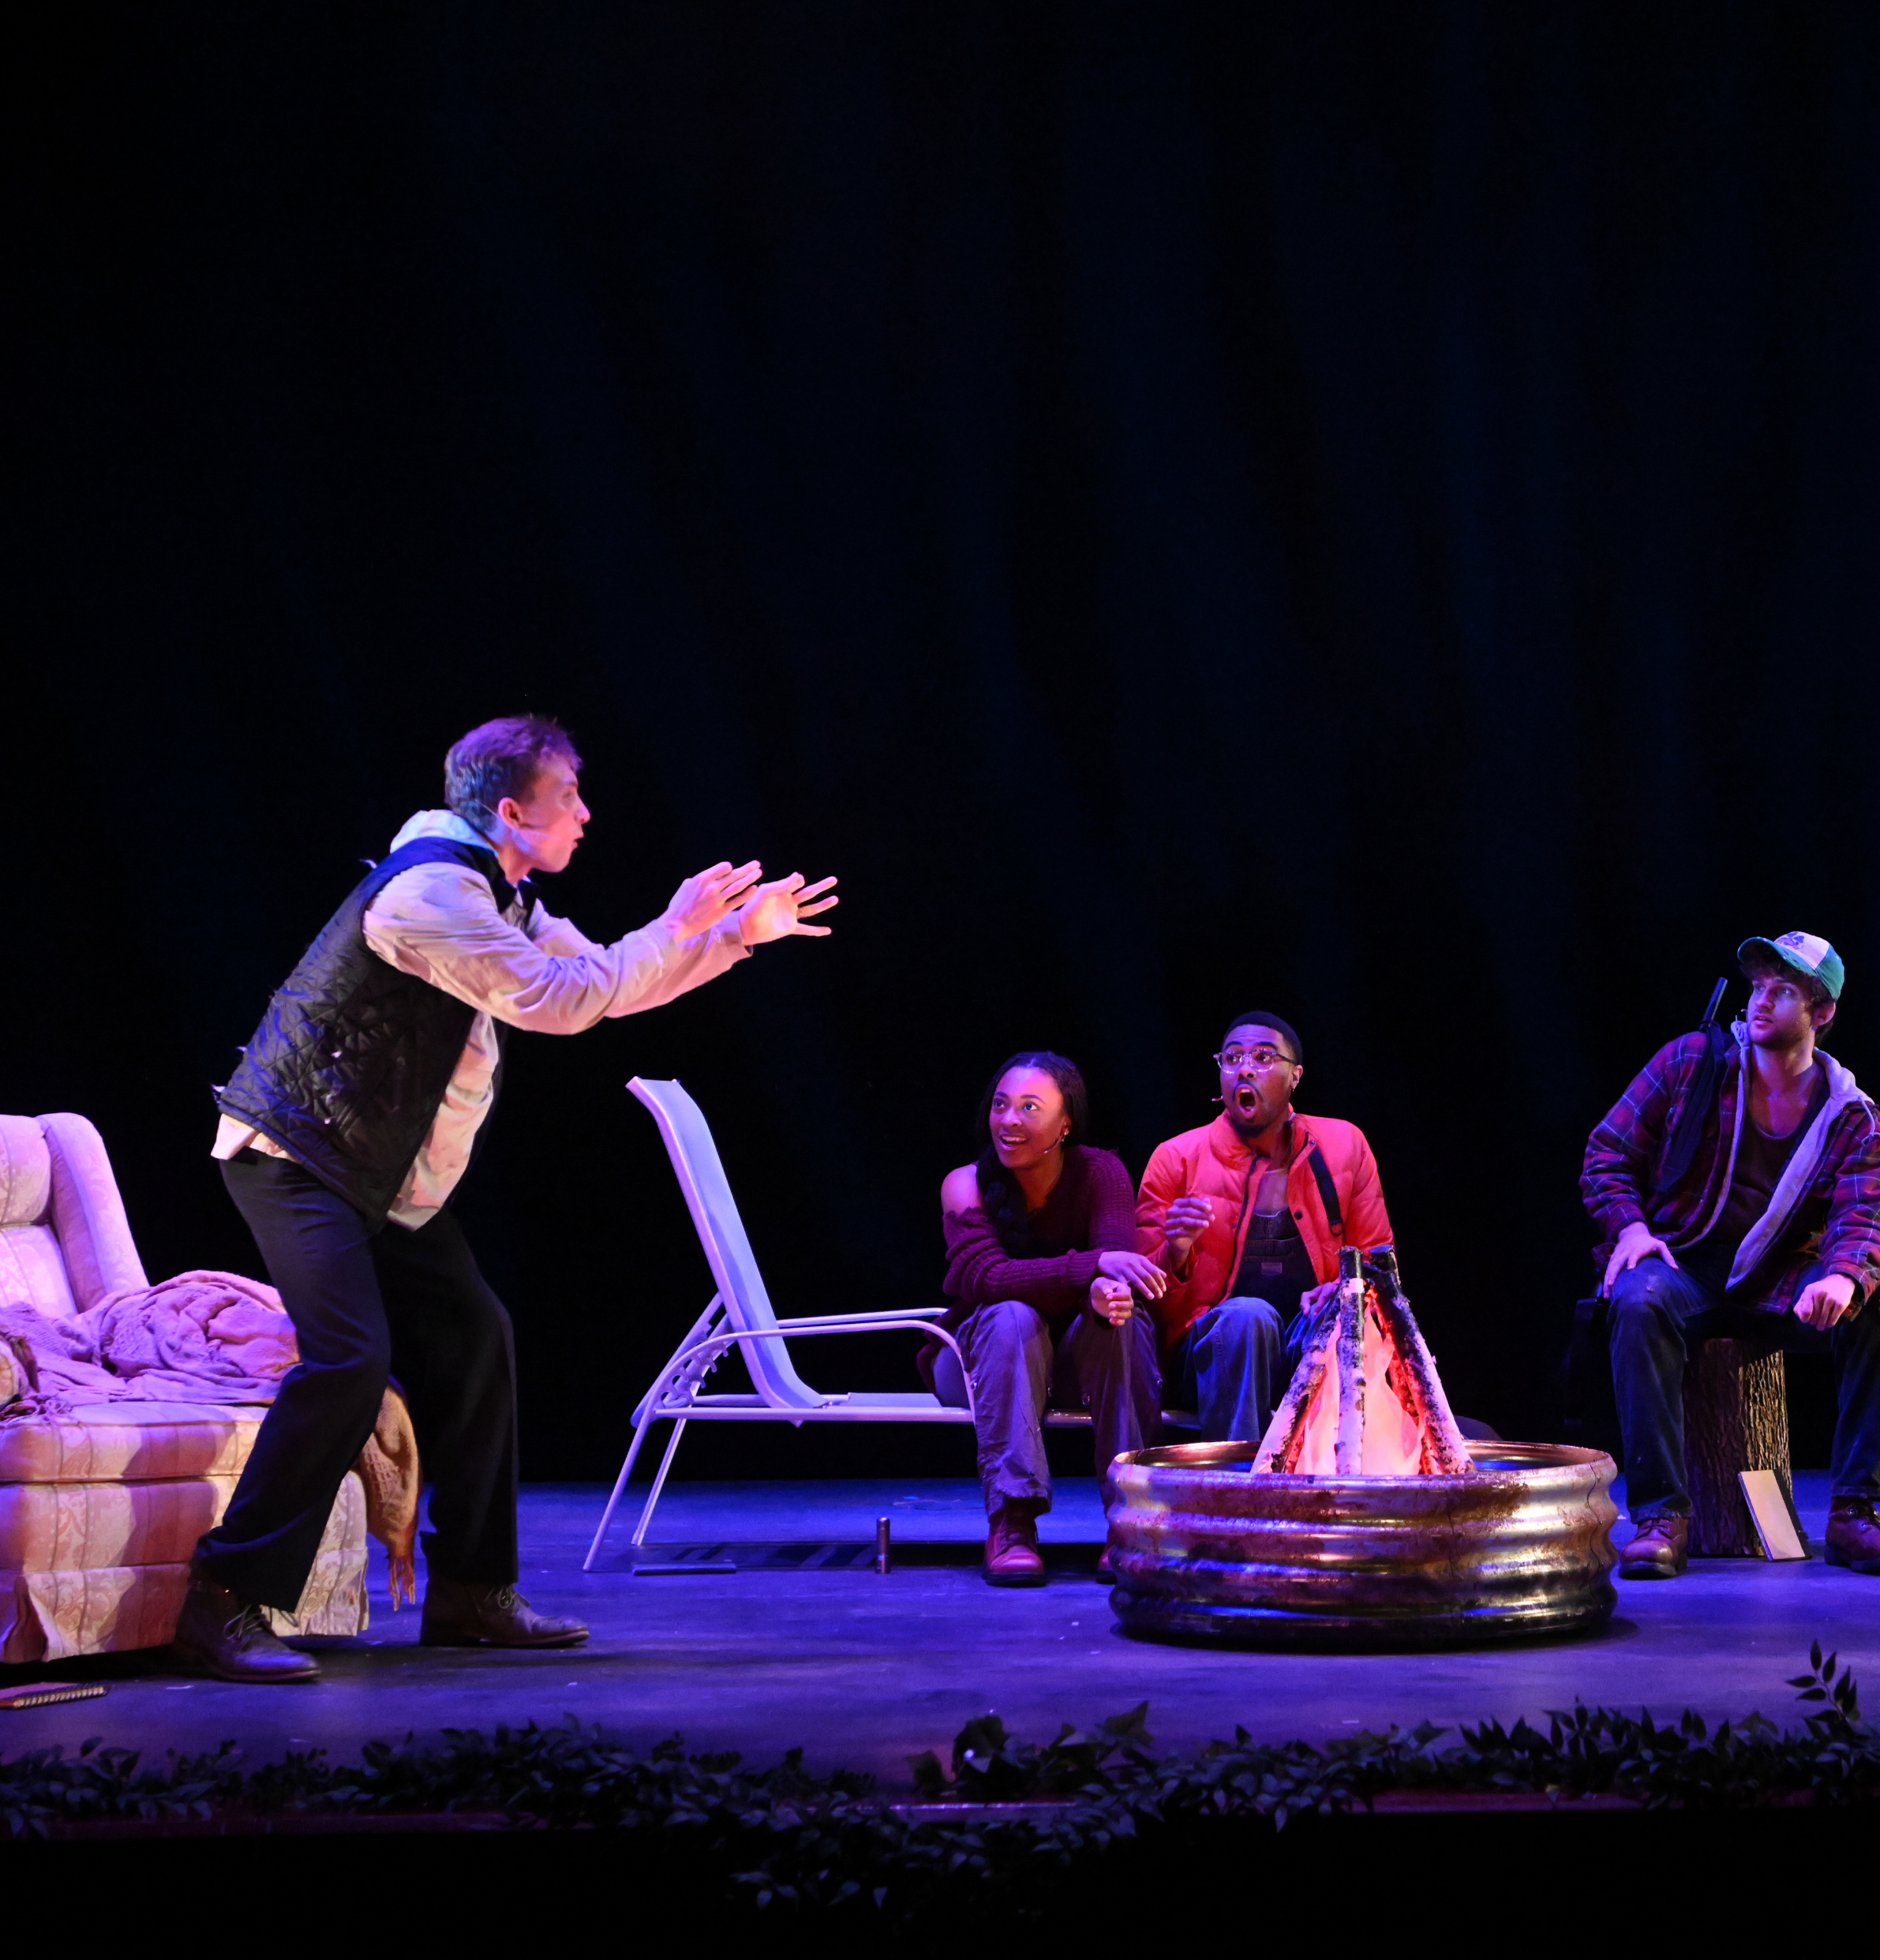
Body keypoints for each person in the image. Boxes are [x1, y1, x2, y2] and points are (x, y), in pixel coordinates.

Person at [186, 715, 839, 1682]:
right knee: (350, 1358)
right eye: (567, 794)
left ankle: (469, 1592)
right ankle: (227, 1598)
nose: (584, 811)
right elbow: (563, 1002)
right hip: (298, 1153)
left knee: (477, 1336)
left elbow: (601, 981)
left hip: (381, 1171)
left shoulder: (496, 890)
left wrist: (730, 936)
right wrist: (679, 924)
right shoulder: (430, 897)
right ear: (508, 811)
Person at [1581, 932, 1880, 1577]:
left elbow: (1866, 1212)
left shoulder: (1852, 1119)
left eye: (1784, 990)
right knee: (1638, 1297)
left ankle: (1854, 1512)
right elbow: (1608, 1151)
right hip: (1685, 1268)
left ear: (1822, 1013)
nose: (1762, 1001)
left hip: (1778, 1281)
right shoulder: (1692, 1063)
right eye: (1758, 986)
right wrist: (1630, 1228)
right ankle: (1661, 1516)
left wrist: (1844, 1275)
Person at [935, 1052, 1163, 1586]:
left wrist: (1107, 1293)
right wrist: (1091, 1268)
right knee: (1012, 1316)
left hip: (1071, 1359)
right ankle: (1011, 1520)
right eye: (1001, 1105)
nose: (1009, 1119)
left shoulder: (1101, 1171)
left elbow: (1116, 1263)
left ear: (1064, 1124)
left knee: (1123, 1321)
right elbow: (988, 1278)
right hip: (978, 1362)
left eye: (1029, 1107)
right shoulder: (964, 1183)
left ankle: (1133, 1519)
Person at [1135, 1012, 1394, 1444]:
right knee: (1247, 1317)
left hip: (1306, 1342)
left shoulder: (1344, 1145)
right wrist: (1175, 1253)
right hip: (1210, 1355)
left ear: (1296, 1076)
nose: (1245, 1067)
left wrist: (1345, 1290)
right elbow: (1144, 1299)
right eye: (1232, 1058)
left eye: (1263, 1056)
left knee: (1345, 1320)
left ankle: (1344, 1492)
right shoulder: (1176, 1158)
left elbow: (1377, 1263)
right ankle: (1239, 1494)